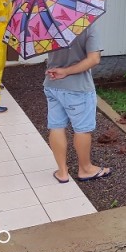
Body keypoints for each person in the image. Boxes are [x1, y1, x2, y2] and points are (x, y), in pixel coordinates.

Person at [44, 23, 112, 184]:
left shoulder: (48, 23)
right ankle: (86, 169)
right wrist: (66, 71)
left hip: (52, 83)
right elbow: (94, 59)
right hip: (78, 87)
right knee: (82, 129)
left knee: (56, 126)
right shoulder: (87, 24)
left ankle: (62, 172)